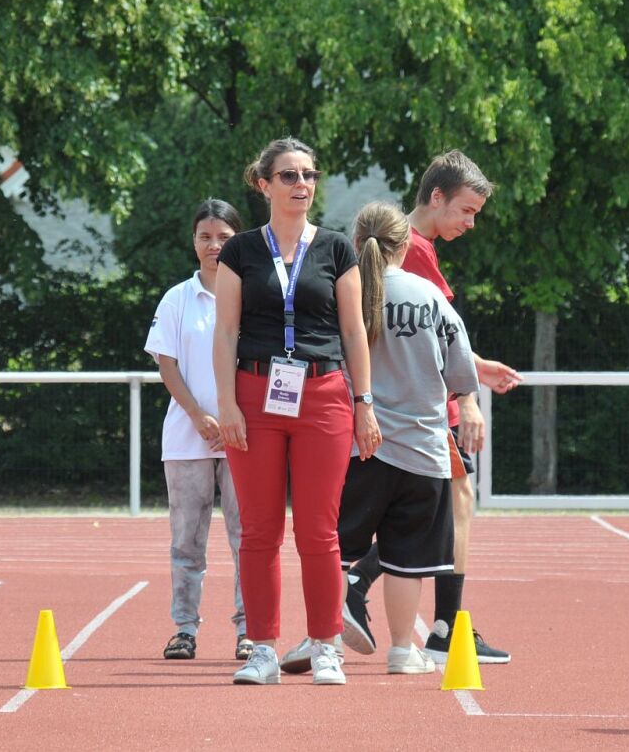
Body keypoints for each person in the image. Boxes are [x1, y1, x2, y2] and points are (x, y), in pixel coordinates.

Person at [336, 150, 521, 668]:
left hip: (403, 410)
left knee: (446, 509)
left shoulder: (415, 252)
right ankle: (435, 623)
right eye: (466, 210)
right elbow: (435, 333)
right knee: (443, 512)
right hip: (417, 414)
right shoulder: (409, 254)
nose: (471, 223)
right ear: (435, 197)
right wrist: (469, 393)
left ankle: (429, 617)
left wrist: (478, 371)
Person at [211, 137, 381, 686]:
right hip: (255, 394)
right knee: (259, 530)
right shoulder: (240, 251)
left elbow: (355, 332)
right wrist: (226, 403)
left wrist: (364, 404)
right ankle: (261, 649)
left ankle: (326, 644)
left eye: (309, 174)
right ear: (263, 184)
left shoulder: (336, 249)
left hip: (324, 393)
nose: (301, 184)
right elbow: (227, 331)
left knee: (319, 530)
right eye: (288, 175)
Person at [339, 202, 479, 675]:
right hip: (423, 450)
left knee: (339, 546)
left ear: (357, 244)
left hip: (360, 443)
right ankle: (403, 650)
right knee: (407, 559)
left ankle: (322, 637)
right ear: (405, 246)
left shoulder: (343, 294)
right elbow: (460, 374)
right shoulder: (431, 297)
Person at [145, 199, 250, 662]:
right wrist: (198, 416)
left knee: (247, 538)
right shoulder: (176, 298)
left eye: (224, 238)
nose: (214, 246)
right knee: (187, 540)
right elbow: (166, 363)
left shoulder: (253, 295)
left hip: (244, 436)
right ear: (193, 241)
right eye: (205, 237)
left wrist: (230, 416)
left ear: (238, 241)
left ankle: (250, 630)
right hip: (188, 437)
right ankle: (184, 628)